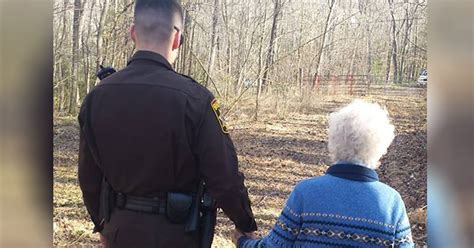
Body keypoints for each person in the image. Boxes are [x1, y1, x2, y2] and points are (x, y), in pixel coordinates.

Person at [77, 0, 257, 247]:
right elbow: (224, 178)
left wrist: (102, 224)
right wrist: (244, 224)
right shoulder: (196, 100)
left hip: (119, 232)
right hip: (177, 235)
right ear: (177, 38)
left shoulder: (96, 98)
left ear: (133, 33)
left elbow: (89, 178)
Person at [234, 100, 414, 247]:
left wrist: (243, 241)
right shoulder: (392, 203)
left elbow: (274, 247)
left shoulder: (305, 193)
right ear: (381, 147)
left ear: (334, 141)